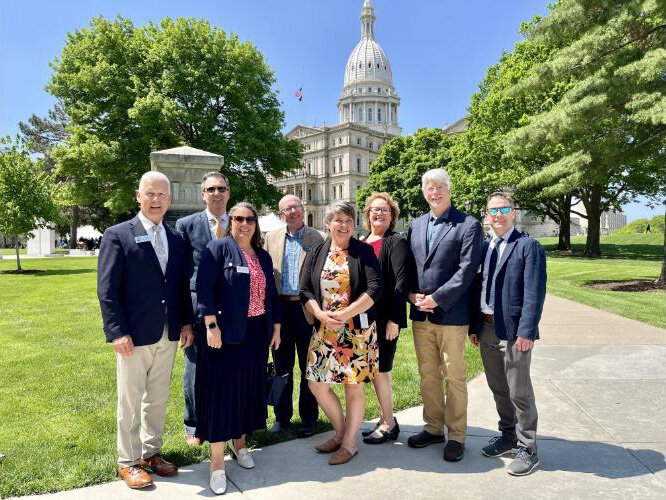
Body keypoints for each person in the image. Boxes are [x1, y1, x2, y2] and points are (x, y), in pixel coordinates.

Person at [97, 171, 194, 489]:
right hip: (133, 335)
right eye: (149, 194)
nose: (155, 200)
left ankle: (151, 453)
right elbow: (107, 290)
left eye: (161, 195)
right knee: (130, 399)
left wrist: (186, 323)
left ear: (170, 199)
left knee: (157, 397)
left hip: (167, 333)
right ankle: (128, 461)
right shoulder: (118, 234)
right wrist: (116, 331)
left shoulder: (177, 238)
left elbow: (180, 286)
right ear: (138, 196)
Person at [195, 202, 282, 495]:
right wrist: (210, 326)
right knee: (222, 395)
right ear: (231, 222)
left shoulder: (263, 257)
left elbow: (271, 294)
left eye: (249, 219)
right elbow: (204, 289)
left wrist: (276, 327)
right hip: (225, 334)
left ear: (256, 224)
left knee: (246, 391)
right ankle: (217, 464)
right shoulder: (217, 249)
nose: (244, 224)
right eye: (238, 219)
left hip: (256, 334)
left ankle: (241, 444)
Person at [407, 168, 483, 462]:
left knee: (453, 376)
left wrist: (437, 299)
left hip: (451, 315)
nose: (434, 192)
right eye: (429, 188)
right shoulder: (416, 225)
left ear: (450, 191)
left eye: (440, 187)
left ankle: (457, 435)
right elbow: (411, 267)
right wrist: (413, 296)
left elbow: (467, 272)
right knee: (428, 375)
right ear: (424, 192)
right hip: (421, 316)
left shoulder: (468, 225)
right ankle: (434, 428)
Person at [469, 192, 546, 476]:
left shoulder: (528, 246)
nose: (497, 215)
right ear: (486, 215)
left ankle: (528, 447)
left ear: (513, 213)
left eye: (503, 209)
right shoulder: (485, 247)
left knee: (519, 391)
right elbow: (478, 288)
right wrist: (475, 326)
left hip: (514, 332)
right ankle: (508, 436)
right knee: (498, 387)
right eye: (492, 210)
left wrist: (527, 331)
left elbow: (534, 293)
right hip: (487, 327)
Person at [300, 201, 381, 465]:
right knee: (316, 384)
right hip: (325, 330)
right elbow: (305, 290)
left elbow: (374, 288)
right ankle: (340, 431)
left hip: (356, 332)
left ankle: (349, 444)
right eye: (337, 220)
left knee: (353, 386)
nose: (343, 225)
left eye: (348, 220)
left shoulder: (363, 251)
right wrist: (322, 315)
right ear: (327, 224)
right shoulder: (317, 252)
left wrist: (346, 315)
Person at [175, 171, 231, 446]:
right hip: (198, 308)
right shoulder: (186, 225)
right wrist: (185, 321)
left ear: (228, 193)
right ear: (203, 194)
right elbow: (180, 276)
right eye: (211, 189)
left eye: (221, 188)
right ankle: (194, 425)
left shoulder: (241, 223)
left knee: (230, 368)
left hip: (233, 309)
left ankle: (229, 420)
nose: (217, 193)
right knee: (195, 369)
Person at [264, 194, 324, 437]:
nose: (293, 211)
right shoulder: (271, 238)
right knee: (281, 367)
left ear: (303, 208)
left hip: (306, 309)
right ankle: (282, 417)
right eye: (287, 208)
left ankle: (309, 419)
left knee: (309, 366)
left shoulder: (317, 238)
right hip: (280, 311)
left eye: (296, 206)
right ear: (281, 215)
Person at [359, 192, 414, 444]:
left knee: (382, 370)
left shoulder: (396, 242)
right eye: (374, 210)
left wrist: (395, 319)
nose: (378, 214)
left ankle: (390, 424)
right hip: (361, 320)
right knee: (370, 371)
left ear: (392, 216)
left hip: (384, 319)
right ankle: (383, 419)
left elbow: (401, 283)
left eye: (384, 210)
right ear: (367, 214)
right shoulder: (361, 241)